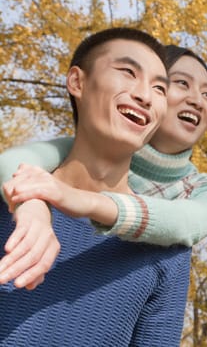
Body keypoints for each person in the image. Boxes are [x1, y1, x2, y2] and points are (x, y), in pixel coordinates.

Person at [0, 27, 191, 346]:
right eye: (128, 72)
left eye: (159, 89)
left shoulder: (167, 249)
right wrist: (31, 202)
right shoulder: (8, 199)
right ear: (77, 82)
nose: (145, 96)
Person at [0, 45, 207, 290]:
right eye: (182, 83)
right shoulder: (79, 150)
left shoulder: (205, 192)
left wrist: (83, 200)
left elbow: (185, 223)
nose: (197, 101)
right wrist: (33, 207)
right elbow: (12, 164)